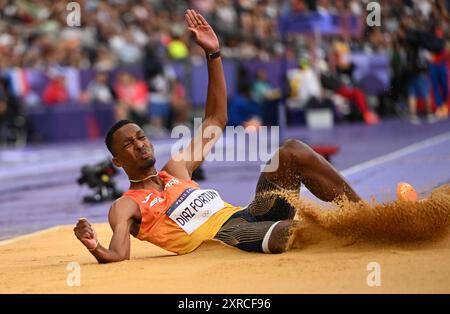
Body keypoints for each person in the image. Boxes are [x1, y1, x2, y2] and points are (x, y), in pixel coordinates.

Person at [73, 10, 362, 263]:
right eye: (128, 144)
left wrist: (213, 54)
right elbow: (118, 254)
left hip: (249, 215)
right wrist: (94, 246)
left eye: (140, 137)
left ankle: (366, 217)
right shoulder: (126, 205)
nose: (139, 144)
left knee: (292, 150)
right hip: (225, 238)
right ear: (118, 161)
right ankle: (365, 234)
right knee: (295, 233)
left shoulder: (176, 169)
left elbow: (216, 119)